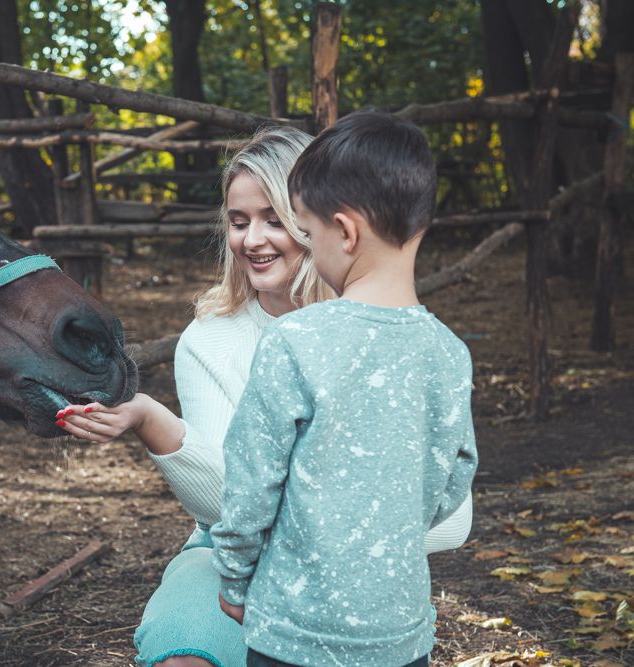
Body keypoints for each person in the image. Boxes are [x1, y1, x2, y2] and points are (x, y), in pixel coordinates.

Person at [55, 125, 473, 667]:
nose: (252, 239)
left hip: (358, 577)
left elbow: (457, 521)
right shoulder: (209, 339)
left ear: (325, 224)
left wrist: (333, 543)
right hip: (243, 559)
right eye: (238, 221)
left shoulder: (366, 342)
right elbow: (228, 509)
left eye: (275, 219)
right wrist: (154, 419)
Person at [210, 109, 479, 667]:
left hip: (293, 634)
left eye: (307, 232)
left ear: (346, 232)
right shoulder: (449, 352)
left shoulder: (295, 339)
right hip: (401, 633)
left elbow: (252, 480)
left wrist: (235, 579)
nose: (309, 245)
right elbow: (456, 473)